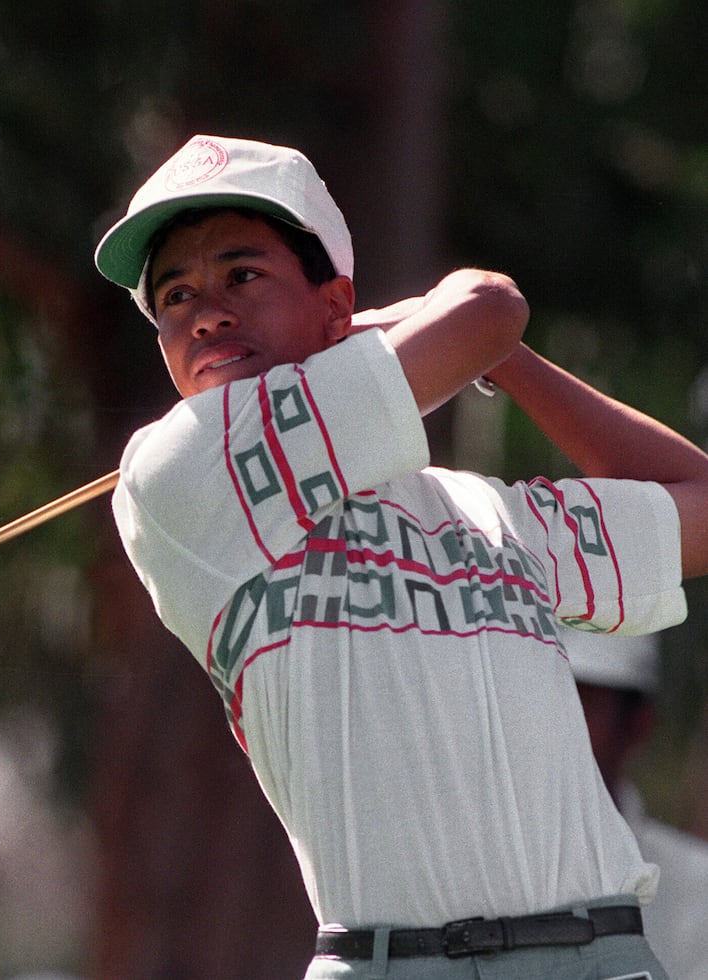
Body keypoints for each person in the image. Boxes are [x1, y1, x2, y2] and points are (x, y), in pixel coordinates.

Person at [93, 133, 708, 978]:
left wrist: (509, 364)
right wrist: (467, 323)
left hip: (600, 957)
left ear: (337, 305)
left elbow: (699, 503)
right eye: (173, 295)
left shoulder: (490, 514)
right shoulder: (173, 474)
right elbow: (491, 304)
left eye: (243, 275)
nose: (206, 311)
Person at [563, 626, 708, 979]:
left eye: (581, 703)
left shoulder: (699, 891)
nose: (553, 726)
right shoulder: (460, 877)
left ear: (637, 725)